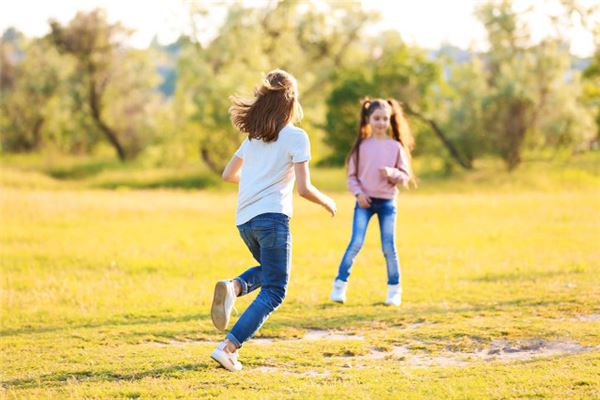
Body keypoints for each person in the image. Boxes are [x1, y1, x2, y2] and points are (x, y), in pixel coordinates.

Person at [210, 69, 337, 372]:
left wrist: (255, 183)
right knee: (276, 288)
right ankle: (228, 348)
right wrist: (328, 201)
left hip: (244, 221)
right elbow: (304, 189)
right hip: (272, 219)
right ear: (291, 101)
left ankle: (236, 286)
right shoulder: (296, 136)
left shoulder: (254, 137)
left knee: (269, 271)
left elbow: (228, 175)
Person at [330, 98, 416, 306]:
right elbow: (352, 177)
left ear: (390, 120)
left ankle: (394, 290)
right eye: (377, 118)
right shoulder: (361, 148)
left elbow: (405, 176)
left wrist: (392, 173)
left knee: (388, 246)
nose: (381, 123)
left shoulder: (395, 147)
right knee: (356, 243)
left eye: (385, 119)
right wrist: (359, 194)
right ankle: (339, 286)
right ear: (368, 120)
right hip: (364, 203)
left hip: (387, 203)